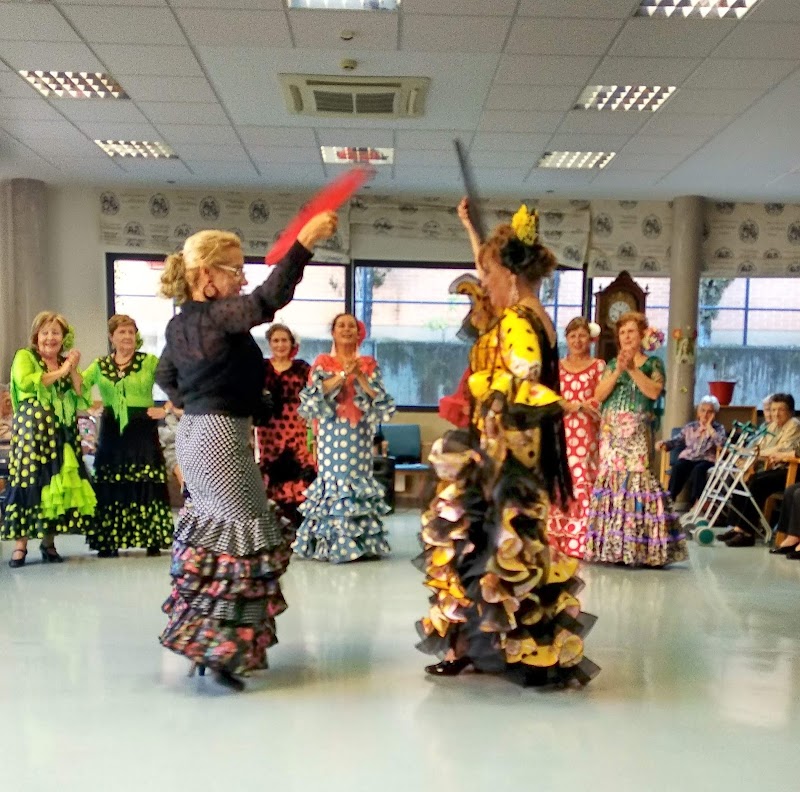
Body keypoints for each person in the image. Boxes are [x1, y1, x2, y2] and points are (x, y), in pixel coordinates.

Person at [415, 200, 599, 686]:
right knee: (512, 552)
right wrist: (471, 228)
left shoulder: (517, 320)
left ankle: (476, 647)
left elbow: (525, 375)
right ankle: (509, 647)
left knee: (481, 545)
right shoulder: (539, 315)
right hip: (523, 455)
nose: (485, 283)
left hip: (500, 454)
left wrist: (495, 405)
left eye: (491, 274)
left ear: (512, 277)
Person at [156, 212, 338, 691]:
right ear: (205, 279)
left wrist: (209, 401)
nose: (243, 279)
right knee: (245, 540)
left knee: (214, 539)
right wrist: (302, 244)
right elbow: (267, 300)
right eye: (234, 271)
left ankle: (205, 645)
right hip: (220, 437)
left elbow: (166, 378)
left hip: (196, 434)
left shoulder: (180, 326)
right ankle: (219, 653)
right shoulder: (218, 315)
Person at [585, 312, 687, 567]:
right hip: (612, 432)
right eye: (622, 333)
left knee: (638, 481)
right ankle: (611, 548)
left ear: (642, 335)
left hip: (637, 432)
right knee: (611, 482)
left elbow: (653, 392)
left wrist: (631, 369)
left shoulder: (653, 364)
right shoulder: (610, 365)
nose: (626, 337)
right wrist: (618, 369)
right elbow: (598, 394)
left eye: (631, 332)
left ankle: (638, 549)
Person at [293, 313, 396, 563]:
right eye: (341, 325)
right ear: (333, 332)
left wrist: (359, 375)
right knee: (334, 480)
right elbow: (312, 396)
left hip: (359, 431)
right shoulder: (323, 361)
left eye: (351, 326)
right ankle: (332, 542)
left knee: (358, 479)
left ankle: (360, 542)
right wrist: (341, 375)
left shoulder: (369, 363)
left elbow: (379, 398)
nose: (347, 330)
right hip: (331, 430)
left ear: (359, 332)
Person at [2, 312, 96, 568]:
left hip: (62, 432)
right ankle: (20, 547)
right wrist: (63, 369)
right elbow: (27, 382)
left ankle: (48, 542)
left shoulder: (66, 364)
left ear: (63, 338)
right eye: (45, 332)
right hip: (32, 433)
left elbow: (82, 396)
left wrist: (72, 369)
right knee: (29, 483)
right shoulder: (25, 357)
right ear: (36, 336)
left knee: (56, 486)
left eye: (56, 333)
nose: (50, 337)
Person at [80, 314, 174, 557]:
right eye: (121, 332)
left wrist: (165, 408)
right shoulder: (100, 365)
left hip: (142, 428)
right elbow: (77, 386)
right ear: (112, 337)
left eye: (131, 332)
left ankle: (151, 539)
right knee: (111, 481)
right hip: (113, 430)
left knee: (146, 479)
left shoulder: (149, 361)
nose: (127, 336)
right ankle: (109, 540)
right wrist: (90, 405)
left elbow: (177, 382)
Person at [547, 317, 605, 559]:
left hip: (587, 432)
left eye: (582, 335)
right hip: (561, 430)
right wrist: (567, 405)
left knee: (582, 478)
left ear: (590, 338)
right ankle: (556, 540)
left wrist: (583, 405)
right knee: (561, 479)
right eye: (573, 336)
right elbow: (550, 396)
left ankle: (580, 542)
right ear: (567, 339)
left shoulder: (598, 365)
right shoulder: (557, 367)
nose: (578, 341)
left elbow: (601, 397)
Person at [254, 323, 315, 529]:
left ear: (292, 343)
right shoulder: (261, 368)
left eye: (284, 340)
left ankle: (298, 518)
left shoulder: (302, 368)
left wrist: (309, 417)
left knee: (299, 467)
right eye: (276, 340)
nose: (280, 345)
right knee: (271, 467)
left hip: (296, 426)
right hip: (269, 428)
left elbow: (315, 394)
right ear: (269, 343)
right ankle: (273, 518)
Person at [719, 392, 800, 547]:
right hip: (774, 466)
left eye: (781, 410)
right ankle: (737, 527)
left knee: (757, 482)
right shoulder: (773, 425)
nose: (776, 413)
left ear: (790, 411)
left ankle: (747, 533)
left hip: (790, 469)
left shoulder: (794, 425)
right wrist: (749, 452)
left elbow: (781, 449)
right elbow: (762, 446)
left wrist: (756, 454)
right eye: (773, 409)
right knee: (741, 480)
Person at [656, 395, 725, 506]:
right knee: (678, 467)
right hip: (689, 457)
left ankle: (697, 504)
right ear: (698, 412)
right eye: (703, 410)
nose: (705, 414)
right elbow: (676, 440)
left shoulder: (718, 428)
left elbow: (721, 444)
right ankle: (668, 501)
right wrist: (664, 443)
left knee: (698, 470)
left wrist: (709, 428)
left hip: (706, 460)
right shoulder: (690, 427)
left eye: (709, 412)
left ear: (714, 414)